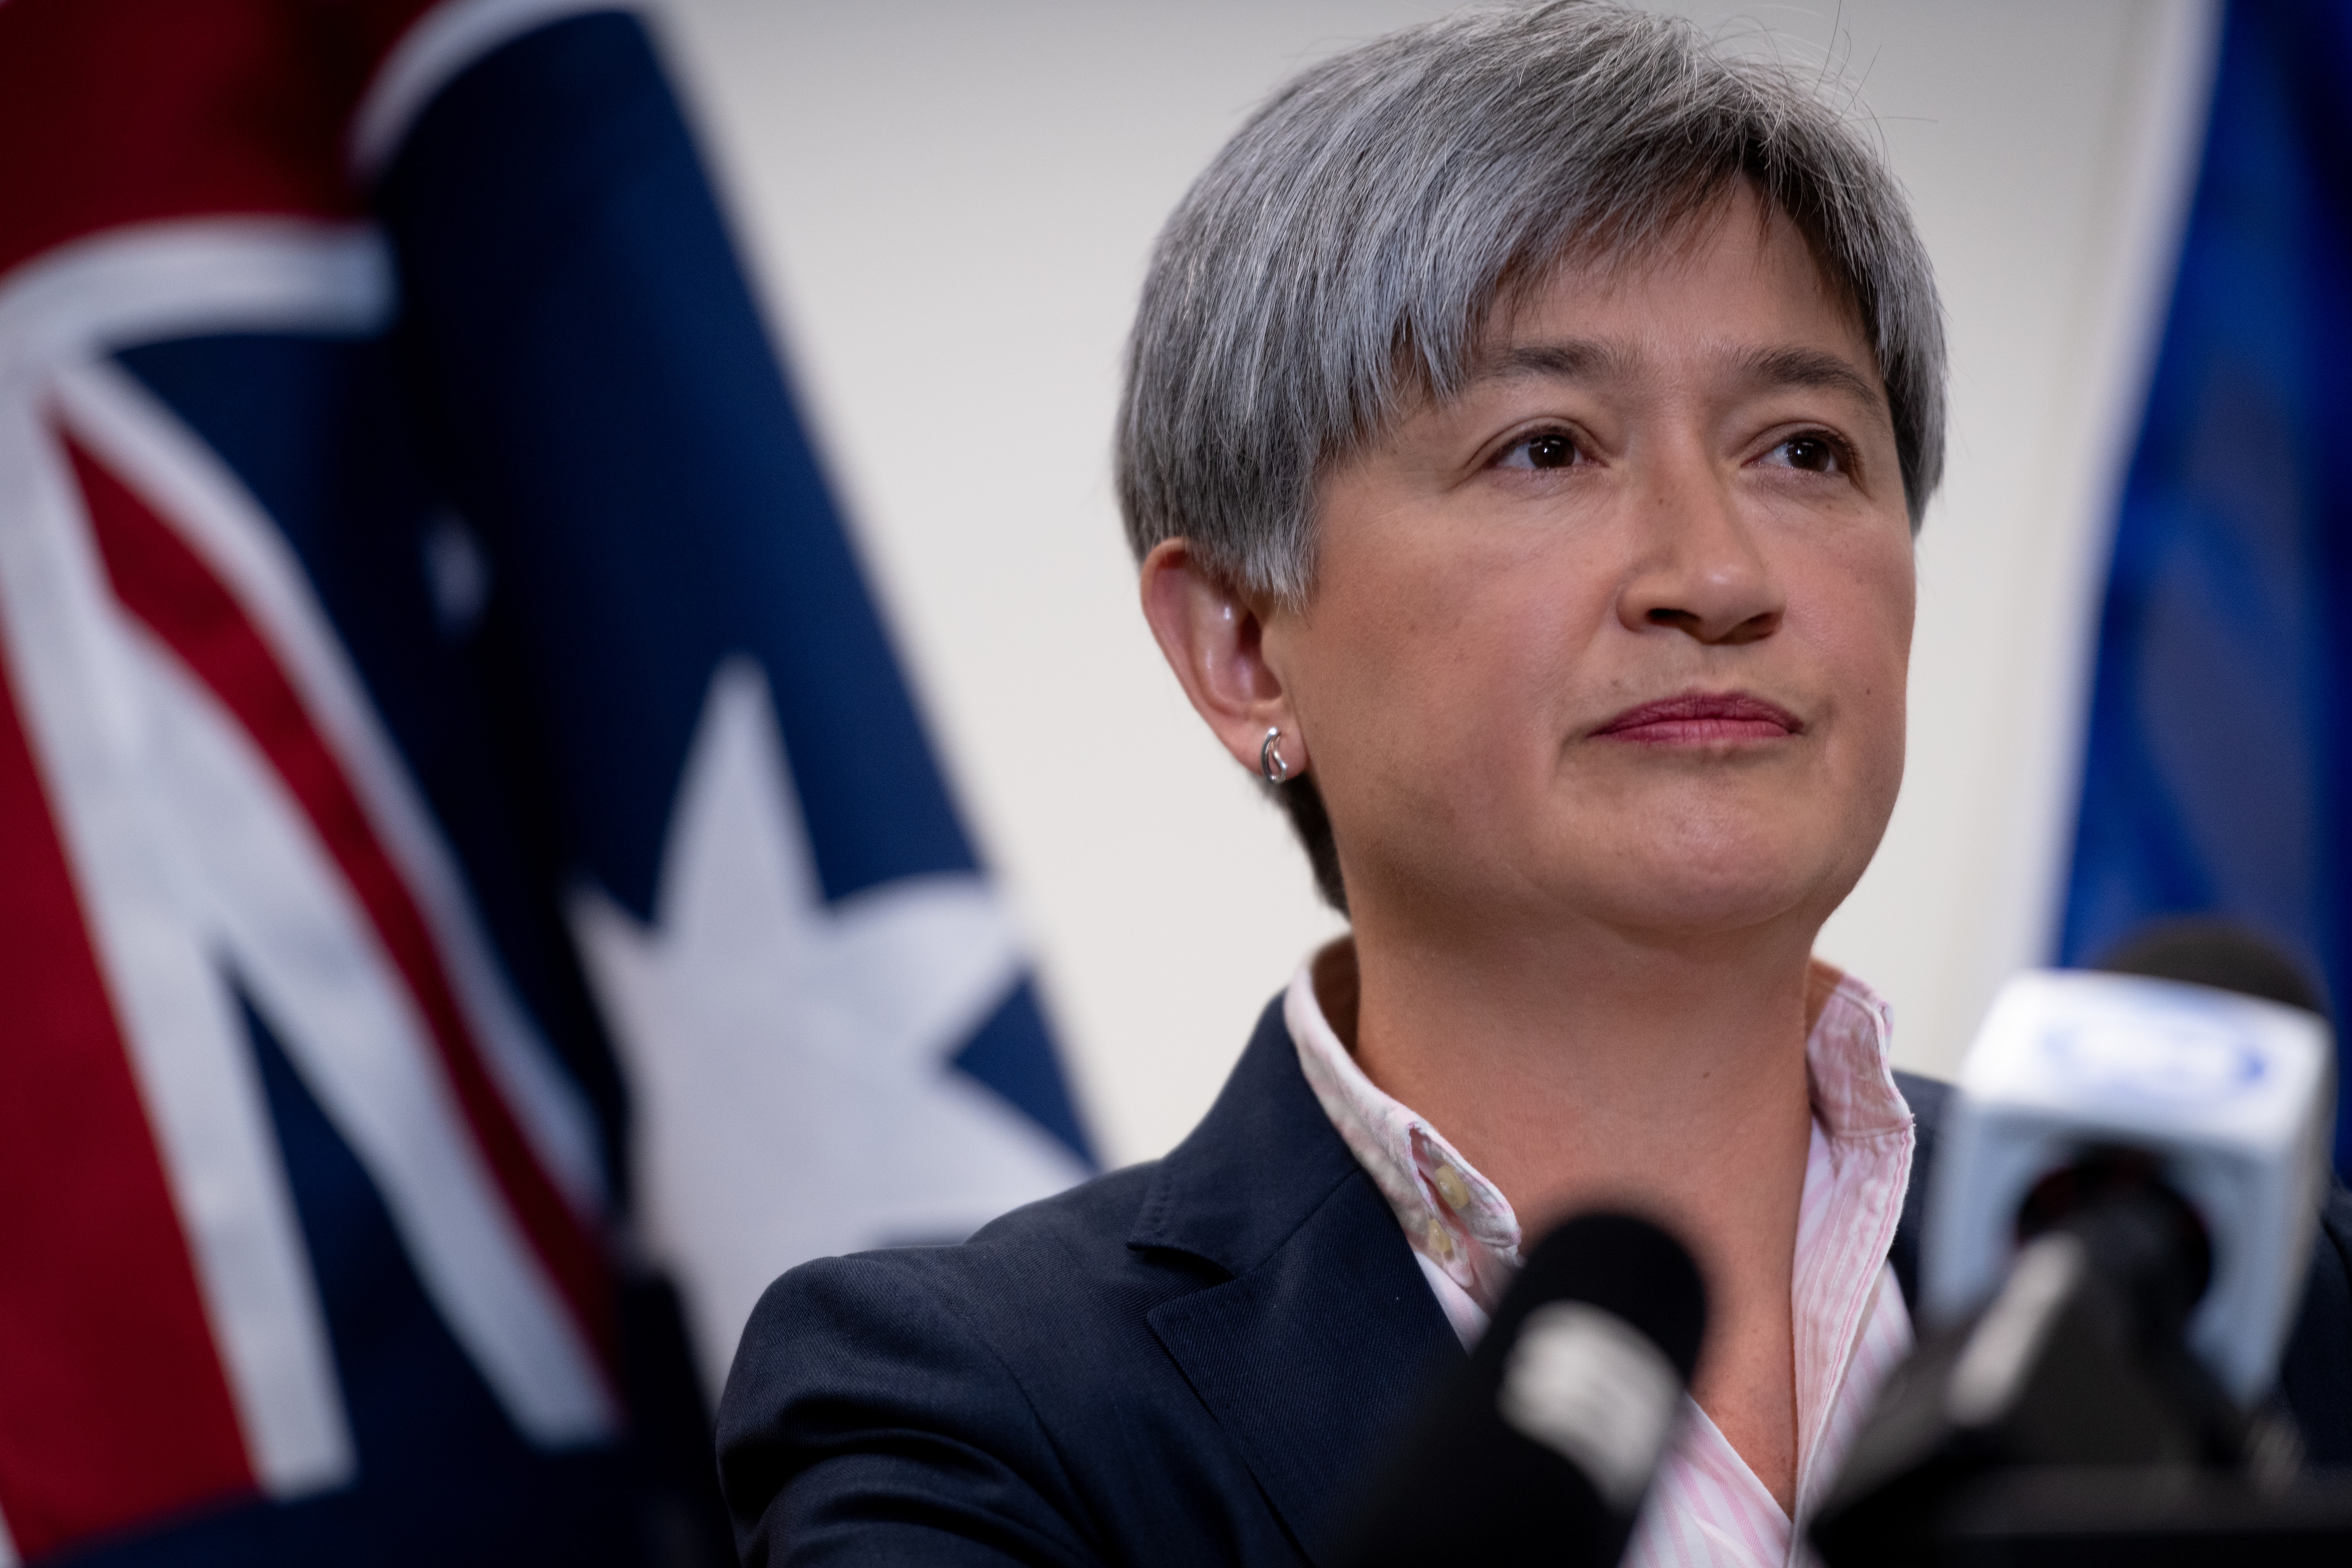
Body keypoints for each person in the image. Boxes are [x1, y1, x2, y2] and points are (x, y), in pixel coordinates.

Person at [715, 6, 2352, 1564]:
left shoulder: (2268, 1288)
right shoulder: (972, 1411)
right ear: (1244, 649)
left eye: (1803, 449)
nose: (1717, 576)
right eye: (1547, 448)